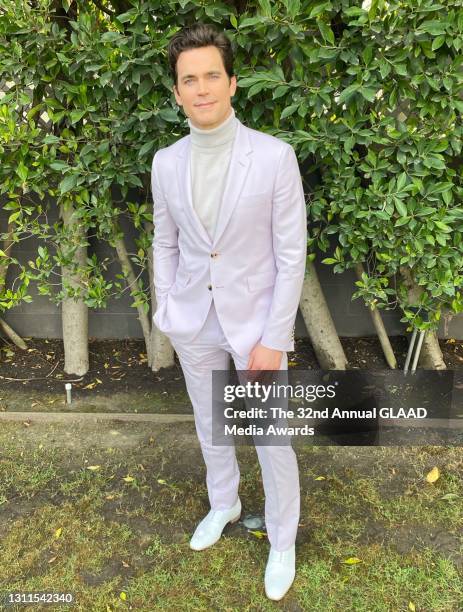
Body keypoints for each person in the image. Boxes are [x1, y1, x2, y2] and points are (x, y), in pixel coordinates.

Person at [151, 22, 307, 601]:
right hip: (193, 321)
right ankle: (225, 504)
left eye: (210, 75)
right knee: (211, 424)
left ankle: (283, 538)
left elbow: (291, 256)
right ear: (177, 92)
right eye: (188, 79)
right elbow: (164, 241)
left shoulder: (273, 157)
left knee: (270, 436)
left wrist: (275, 337)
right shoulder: (166, 163)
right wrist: (167, 308)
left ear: (233, 83)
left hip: (257, 328)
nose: (200, 88)